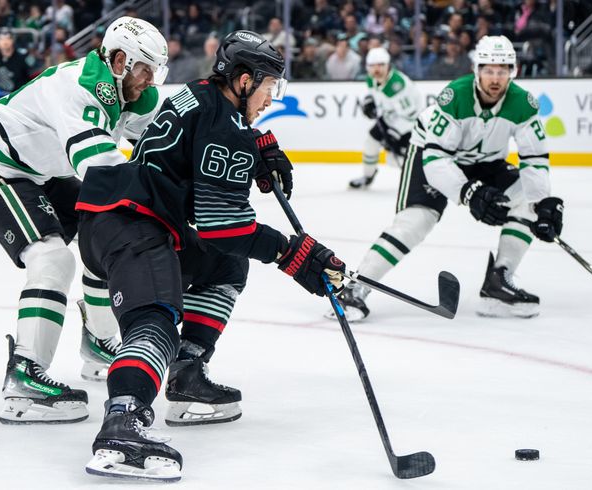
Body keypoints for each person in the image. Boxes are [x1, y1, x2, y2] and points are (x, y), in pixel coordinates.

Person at [76, 30, 345, 482]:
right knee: (155, 318)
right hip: (134, 222)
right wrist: (291, 253)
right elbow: (226, 226)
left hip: (121, 216)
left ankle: (185, 373)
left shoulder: (199, 95)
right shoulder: (226, 125)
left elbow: (204, 171)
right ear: (243, 81)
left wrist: (256, 145)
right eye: (267, 87)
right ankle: (123, 423)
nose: (269, 97)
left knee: (225, 265)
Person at [0, 16, 169, 424]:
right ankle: (24, 375)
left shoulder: (129, 89)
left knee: (108, 229)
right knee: (53, 259)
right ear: (121, 59)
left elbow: (160, 146)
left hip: (41, 170)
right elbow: (101, 170)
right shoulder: (82, 86)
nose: (151, 80)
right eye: (146, 69)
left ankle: (98, 342)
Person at [335, 36, 563, 321]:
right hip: (431, 154)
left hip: (485, 162)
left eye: (502, 71)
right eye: (489, 70)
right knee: (415, 222)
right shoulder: (455, 96)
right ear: (476, 69)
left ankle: (498, 283)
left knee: (527, 201)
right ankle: (356, 287)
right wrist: (470, 193)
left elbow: (535, 159)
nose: (495, 79)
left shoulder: (523, 104)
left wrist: (542, 203)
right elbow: (436, 160)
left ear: (512, 71)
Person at [350, 47, 422, 189]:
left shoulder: (397, 85)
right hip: (389, 120)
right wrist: (369, 103)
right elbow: (376, 96)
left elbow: (411, 116)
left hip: (409, 127)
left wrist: (394, 134)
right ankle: (367, 176)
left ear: (388, 65)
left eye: (381, 65)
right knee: (370, 143)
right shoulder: (371, 79)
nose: (376, 70)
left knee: (397, 160)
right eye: (372, 66)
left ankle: (421, 182)